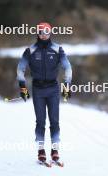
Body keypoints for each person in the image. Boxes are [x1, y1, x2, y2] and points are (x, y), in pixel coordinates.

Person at [17, 22, 72, 163]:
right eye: (41, 32)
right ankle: (41, 151)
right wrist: (22, 86)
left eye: (46, 32)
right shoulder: (30, 50)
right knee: (40, 122)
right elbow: (20, 68)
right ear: (37, 33)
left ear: (50, 33)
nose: (44, 34)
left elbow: (68, 68)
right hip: (38, 90)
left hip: (53, 89)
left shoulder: (58, 49)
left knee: (54, 121)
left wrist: (67, 85)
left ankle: (55, 150)